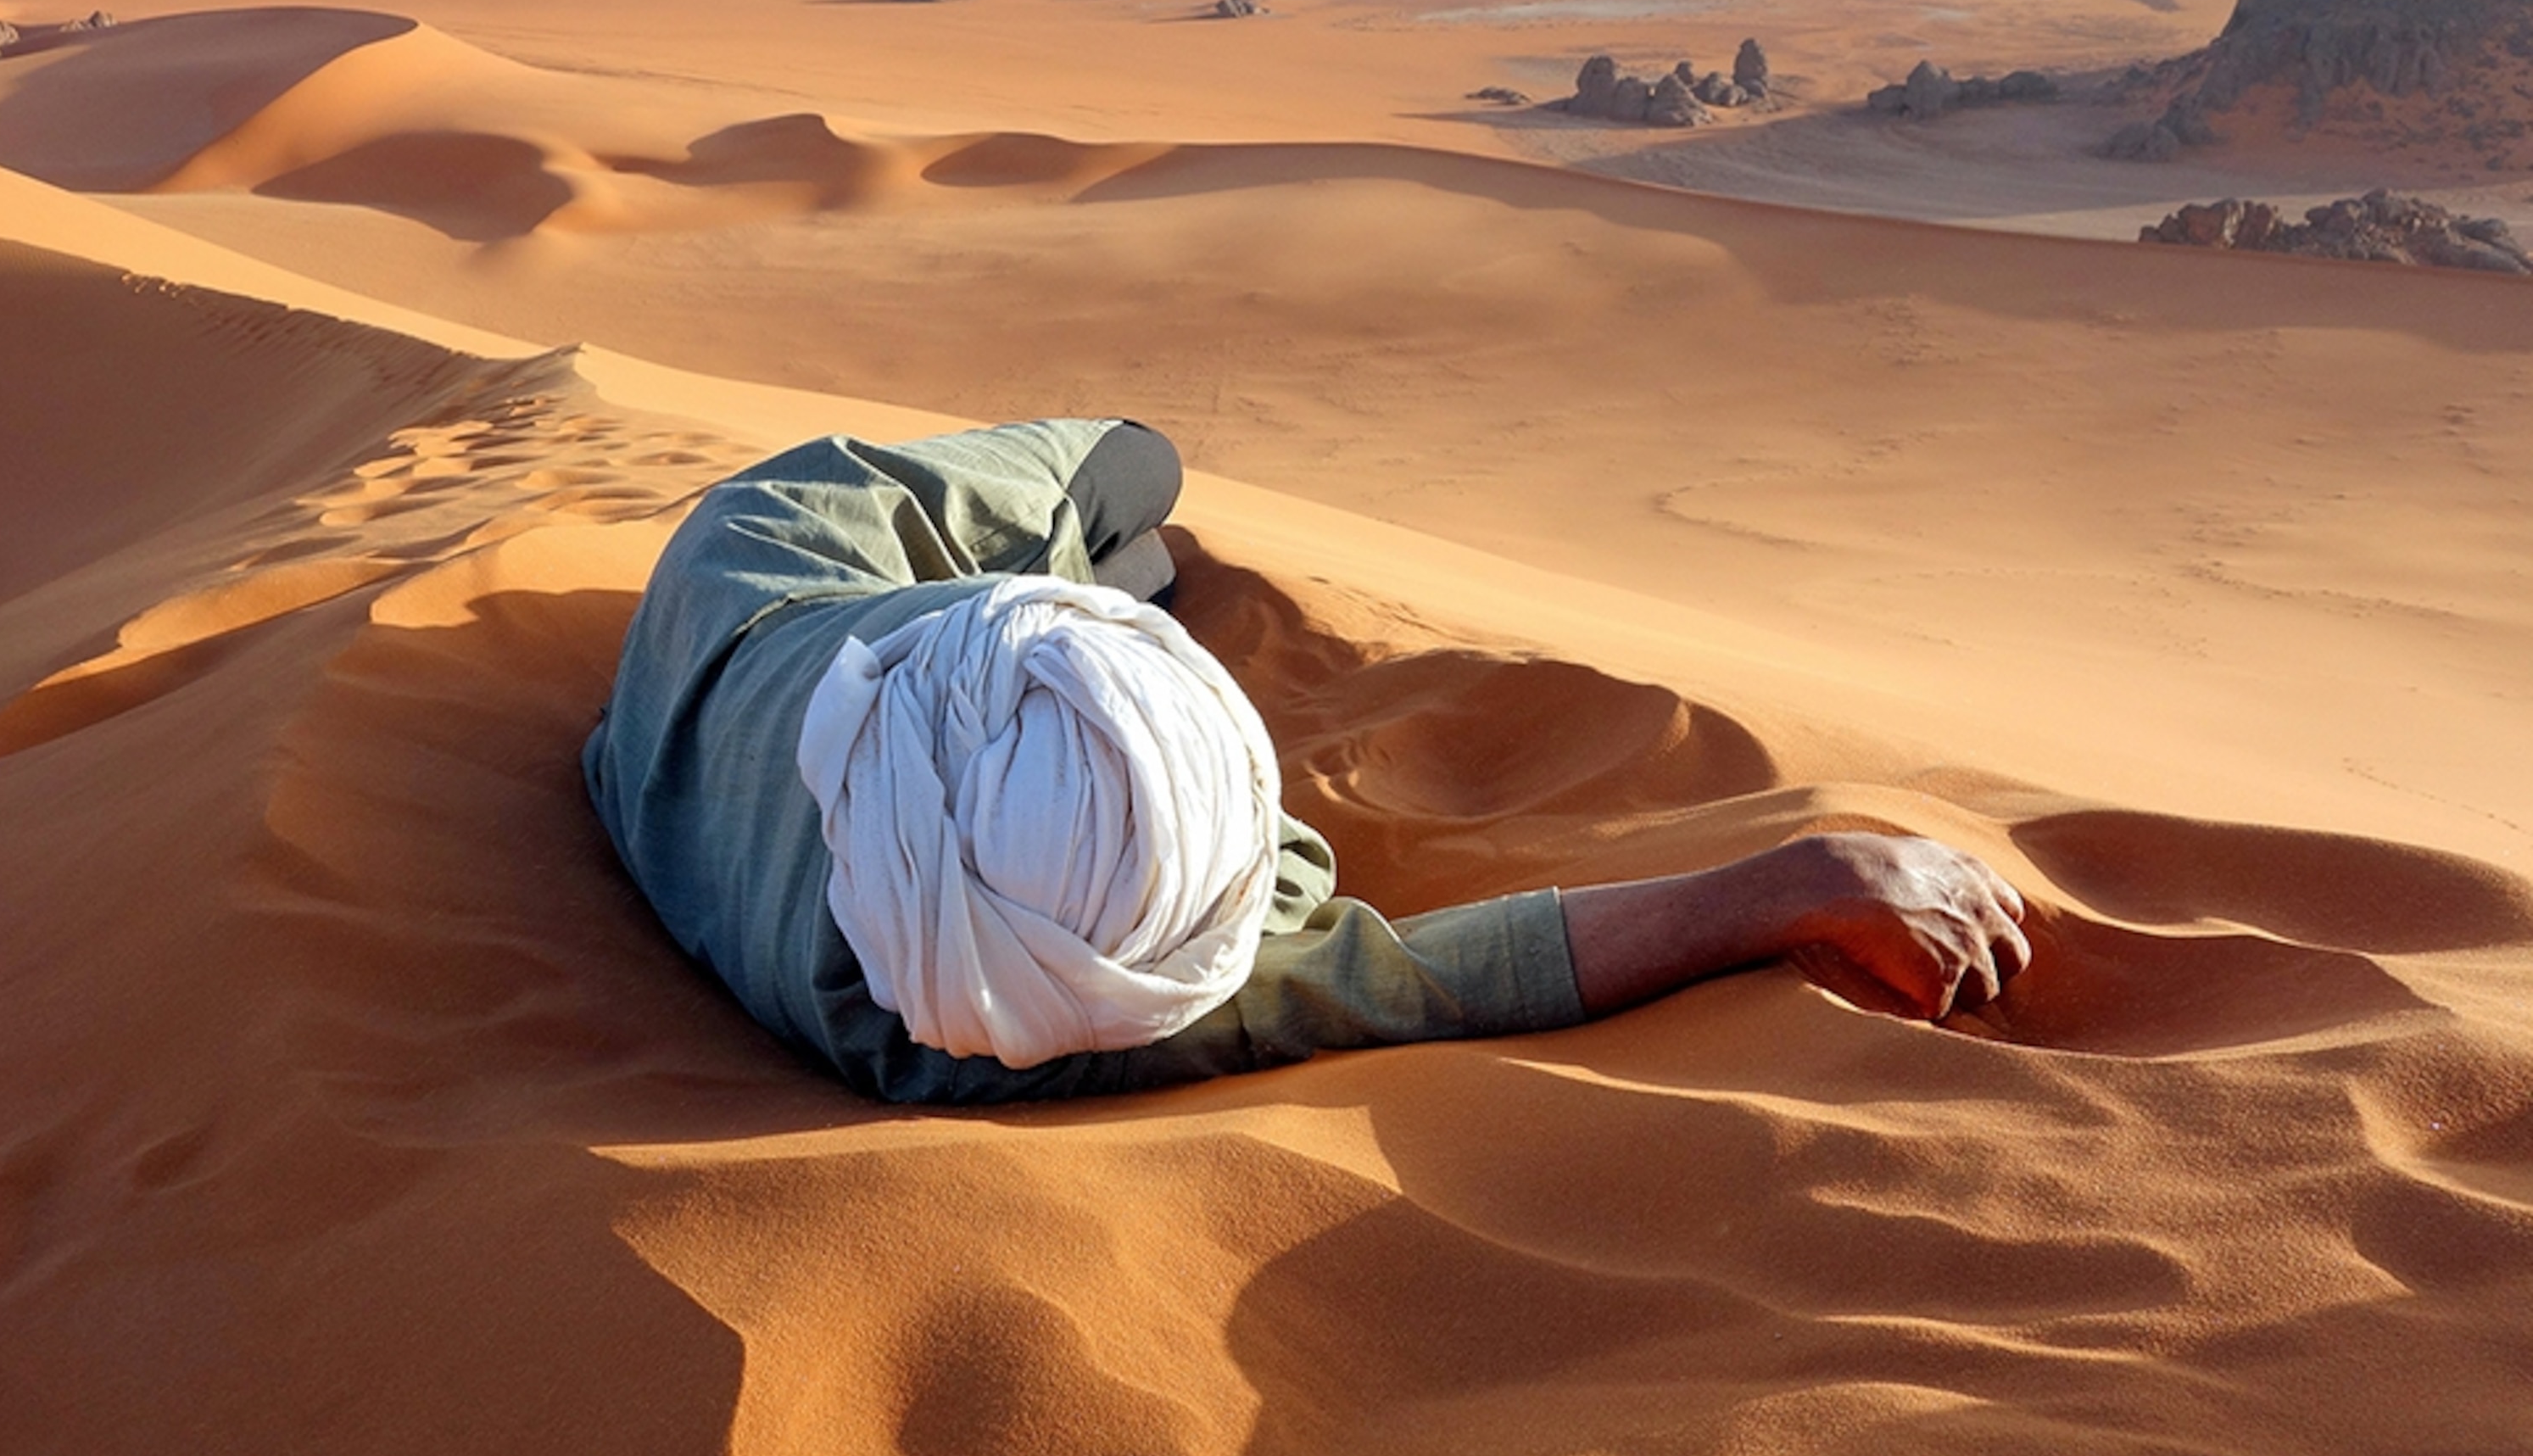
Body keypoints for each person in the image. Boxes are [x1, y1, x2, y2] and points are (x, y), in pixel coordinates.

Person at [583, 418, 2031, 1104]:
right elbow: (1442, 980)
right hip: (755, 677)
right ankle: (1105, 574)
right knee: (1135, 485)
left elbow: (1415, 974)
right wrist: (1800, 880)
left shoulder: (955, 1008)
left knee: (1133, 489)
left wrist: (1792, 886)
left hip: (767, 572)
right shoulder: (1041, 1010)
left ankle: (1091, 572)